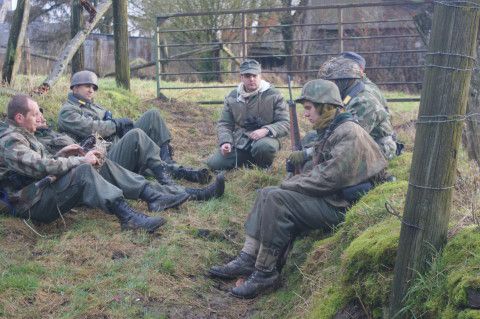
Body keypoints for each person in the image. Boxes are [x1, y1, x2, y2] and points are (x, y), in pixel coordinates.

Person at [208, 79, 388, 298]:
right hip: (333, 198)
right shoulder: (335, 129)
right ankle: (248, 257)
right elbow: (322, 171)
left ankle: (265, 273)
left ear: (326, 107)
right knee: (266, 194)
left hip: (342, 206)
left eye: (309, 108)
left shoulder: (349, 132)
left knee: (277, 198)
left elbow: (327, 179)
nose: (305, 114)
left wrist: (288, 184)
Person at [0, 95, 194, 233]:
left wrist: (62, 154)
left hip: (39, 191)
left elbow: (34, 166)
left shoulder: (22, 134)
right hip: (29, 203)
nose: (39, 118)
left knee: (98, 164)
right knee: (84, 169)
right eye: (34, 114)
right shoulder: (11, 140)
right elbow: (39, 167)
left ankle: (151, 195)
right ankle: (128, 217)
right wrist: (79, 160)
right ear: (19, 118)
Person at [57, 70, 211, 185]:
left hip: (116, 145)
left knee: (152, 115)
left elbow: (109, 124)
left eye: (93, 87)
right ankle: (170, 171)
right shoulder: (68, 110)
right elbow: (89, 128)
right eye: (86, 86)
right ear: (75, 88)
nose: (91, 90)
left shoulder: (94, 106)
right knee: (137, 135)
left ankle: (172, 165)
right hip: (105, 158)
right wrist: (116, 125)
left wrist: (122, 125)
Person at [36, 110, 226, 202]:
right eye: (35, 115)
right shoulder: (64, 115)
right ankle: (188, 192)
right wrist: (113, 126)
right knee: (137, 154)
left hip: (100, 156)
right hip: (89, 168)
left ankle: (175, 174)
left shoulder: (49, 134)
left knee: (141, 172)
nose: (42, 118)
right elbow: (48, 164)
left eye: (41, 114)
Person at [206, 59, 289, 170]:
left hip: (267, 139)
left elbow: (285, 122)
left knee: (263, 147)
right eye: (247, 76)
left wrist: (266, 130)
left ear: (260, 76)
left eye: (255, 75)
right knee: (214, 164)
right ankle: (249, 162)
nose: (252, 79)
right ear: (241, 77)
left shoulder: (274, 95)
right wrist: (226, 141)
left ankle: (263, 167)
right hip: (241, 142)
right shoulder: (232, 97)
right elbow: (225, 124)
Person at [318, 56, 397, 160]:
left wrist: (308, 153)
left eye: (332, 82)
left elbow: (347, 140)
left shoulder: (363, 101)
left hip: (378, 149)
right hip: (363, 144)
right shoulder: (350, 95)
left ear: (344, 81)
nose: (328, 87)